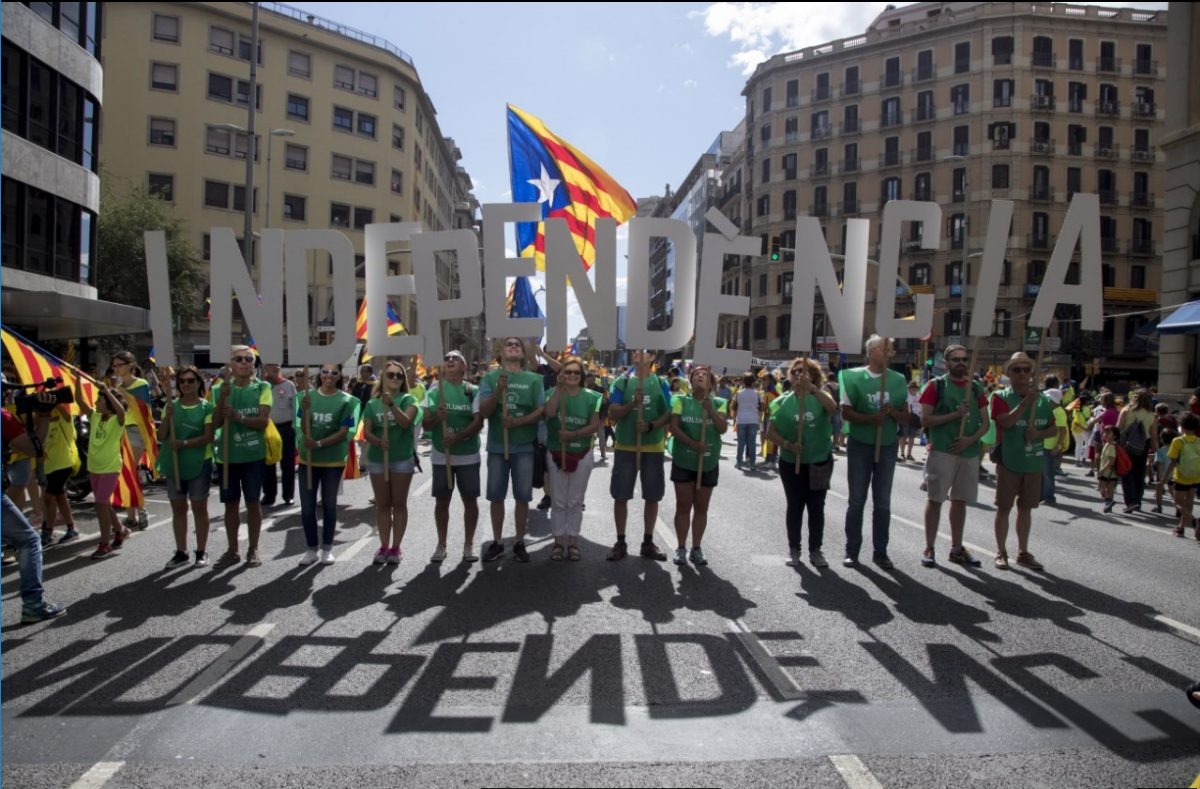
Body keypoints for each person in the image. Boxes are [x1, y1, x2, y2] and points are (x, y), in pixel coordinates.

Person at [838, 334, 911, 569]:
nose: (889, 352)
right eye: (883, 348)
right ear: (870, 352)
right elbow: (845, 413)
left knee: (883, 503)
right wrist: (871, 419)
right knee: (857, 500)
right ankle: (852, 549)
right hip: (860, 444)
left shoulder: (898, 379)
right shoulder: (853, 378)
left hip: (887, 445)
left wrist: (893, 413)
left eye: (890, 349)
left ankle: (881, 551)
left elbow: (906, 415)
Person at [917, 344, 990, 568]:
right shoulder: (936, 386)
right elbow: (925, 420)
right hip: (942, 451)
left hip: (968, 453)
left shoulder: (976, 388)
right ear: (947, 363)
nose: (961, 363)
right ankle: (929, 547)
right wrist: (955, 415)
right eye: (956, 359)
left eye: (964, 359)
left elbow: (985, 423)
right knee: (936, 499)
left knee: (960, 501)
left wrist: (970, 440)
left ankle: (957, 549)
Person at [477, 337, 545, 563]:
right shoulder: (490, 377)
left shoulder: (534, 379)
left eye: (517, 344)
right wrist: (498, 391)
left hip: (524, 448)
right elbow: (484, 412)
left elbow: (541, 411)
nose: (514, 345)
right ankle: (496, 542)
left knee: (522, 497)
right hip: (498, 447)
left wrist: (519, 422)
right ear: (502, 353)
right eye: (509, 344)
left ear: (524, 354)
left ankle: (518, 541)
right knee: (496, 496)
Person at [990, 352, 1058, 570]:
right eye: (1016, 370)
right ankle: (1001, 551)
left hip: (1032, 462)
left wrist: (1038, 434)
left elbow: (1053, 428)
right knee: (1004, 508)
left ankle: (1023, 551)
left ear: (1032, 374)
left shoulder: (1045, 400)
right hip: (1009, 460)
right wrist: (1024, 404)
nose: (1022, 374)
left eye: (1026, 370)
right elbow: (1006, 423)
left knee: (1026, 509)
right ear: (1008, 373)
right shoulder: (1000, 397)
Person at [766, 357, 837, 568]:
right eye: (795, 371)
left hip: (819, 461)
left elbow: (833, 408)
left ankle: (816, 550)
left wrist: (813, 390)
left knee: (816, 506)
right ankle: (794, 549)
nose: (799, 374)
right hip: (791, 463)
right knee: (795, 506)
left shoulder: (822, 395)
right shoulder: (782, 401)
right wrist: (788, 445)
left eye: (804, 371)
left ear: (813, 375)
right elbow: (770, 432)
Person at [2, 401, 68, 622]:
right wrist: (45, 416)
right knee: (30, 540)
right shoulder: (4, 416)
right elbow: (34, 447)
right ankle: (33, 605)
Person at [605, 350, 671, 562]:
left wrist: (651, 425)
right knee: (621, 495)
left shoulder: (661, 383)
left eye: (644, 351)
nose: (638, 353)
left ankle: (648, 542)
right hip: (625, 445)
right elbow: (613, 412)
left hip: (652, 447)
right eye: (635, 350)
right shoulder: (621, 382)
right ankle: (620, 541)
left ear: (652, 358)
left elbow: (669, 413)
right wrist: (632, 404)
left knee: (652, 496)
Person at [211, 345, 272, 568]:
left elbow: (263, 422)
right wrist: (222, 399)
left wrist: (238, 417)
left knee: (253, 503)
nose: (245, 362)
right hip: (227, 456)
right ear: (230, 365)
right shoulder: (219, 389)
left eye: (250, 359)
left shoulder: (263, 387)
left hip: (253, 456)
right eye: (239, 359)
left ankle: (253, 548)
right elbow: (215, 423)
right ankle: (232, 550)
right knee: (230, 506)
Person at [423, 350, 483, 562]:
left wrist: (457, 437)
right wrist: (437, 419)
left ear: (464, 367)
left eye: (455, 358)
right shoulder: (434, 390)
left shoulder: (473, 391)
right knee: (442, 501)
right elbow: (425, 423)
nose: (449, 361)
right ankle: (441, 544)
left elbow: (478, 423)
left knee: (470, 501)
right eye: (447, 358)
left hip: (467, 455)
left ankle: (468, 545)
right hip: (442, 455)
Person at [297, 364, 358, 565]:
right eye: (325, 371)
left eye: (334, 372)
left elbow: (344, 431)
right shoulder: (305, 398)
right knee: (307, 507)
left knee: (329, 504)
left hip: (332, 461)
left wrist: (320, 443)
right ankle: (311, 548)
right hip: (308, 460)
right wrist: (305, 411)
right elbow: (301, 427)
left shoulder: (347, 401)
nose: (329, 375)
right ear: (319, 375)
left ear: (340, 375)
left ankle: (327, 549)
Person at [668, 364, 729, 566]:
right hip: (684, 461)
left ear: (711, 382)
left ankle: (696, 548)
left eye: (705, 375)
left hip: (708, 463)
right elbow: (673, 428)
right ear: (690, 380)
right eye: (696, 375)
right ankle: (681, 548)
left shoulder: (719, 403)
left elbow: (722, 429)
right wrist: (693, 443)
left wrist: (710, 410)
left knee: (701, 508)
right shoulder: (679, 400)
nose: (700, 377)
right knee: (683, 506)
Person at [542, 356, 602, 561]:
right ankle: (558, 542)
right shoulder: (552, 392)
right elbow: (549, 413)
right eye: (568, 372)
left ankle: (573, 542)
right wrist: (558, 389)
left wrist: (574, 435)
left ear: (582, 376)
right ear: (561, 375)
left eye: (576, 372)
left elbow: (594, 426)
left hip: (582, 453)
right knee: (558, 501)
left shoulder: (593, 397)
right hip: (556, 452)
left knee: (575, 501)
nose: (572, 376)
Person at [362, 360, 420, 564]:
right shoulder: (371, 403)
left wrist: (392, 405)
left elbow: (406, 423)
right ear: (383, 379)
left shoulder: (409, 399)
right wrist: (378, 441)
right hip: (378, 460)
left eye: (399, 375)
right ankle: (384, 546)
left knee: (399, 504)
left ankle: (396, 547)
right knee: (383, 505)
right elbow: (366, 432)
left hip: (402, 460)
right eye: (390, 375)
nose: (395, 378)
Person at [158, 366, 215, 566]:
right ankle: (181, 552)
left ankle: (201, 551)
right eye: (182, 381)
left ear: (198, 382)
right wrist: (167, 416)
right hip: (175, 465)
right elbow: (161, 435)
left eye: (191, 380)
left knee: (199, 508)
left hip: (200, 464)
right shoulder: (170, 406)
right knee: (178, 508)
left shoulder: (207, 407)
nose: (186, 384)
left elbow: (208, 437)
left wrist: (184, 444)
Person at [78, 380, 127, 560]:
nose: (96, 403)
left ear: (108, 404)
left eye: (99, 401)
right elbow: (79, 400)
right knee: (104, 503)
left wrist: (107, 391)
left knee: (100, 504)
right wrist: (76, 379)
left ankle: (105, 544)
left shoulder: (117, 420)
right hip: (94, 467)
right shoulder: (95, 417)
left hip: (110, 468)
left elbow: (121, 411)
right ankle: (120, 531)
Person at [111, 350, 151, 530]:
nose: (116, 368)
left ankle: (141, 510)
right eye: (115, 365)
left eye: (119, 365)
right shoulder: (118, 388)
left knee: (129, 470)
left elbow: (142, 407)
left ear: (130, 365)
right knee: (126, 472)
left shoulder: (140, 383)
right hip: (121, 431)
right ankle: (131, 515)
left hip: (137, 431)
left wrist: (118, 393)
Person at [39, 398, 79, 546]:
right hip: (50, 466)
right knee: (60, 498)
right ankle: (71, 528)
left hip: (64, 464)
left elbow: (66, 413)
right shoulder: (44, 423)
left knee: (48, 498)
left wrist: (55, 400)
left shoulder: (64, 420)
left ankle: (48, 531)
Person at [260, 361, 297, 508]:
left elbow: (295, 408)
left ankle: (288, 495)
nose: (274, 368)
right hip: (267, 428)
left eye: (277, 365)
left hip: (285, 428)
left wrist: (296, 428)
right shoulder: (261, 386)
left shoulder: (288, 385)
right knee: (268, 463)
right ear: (264, 368)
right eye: (270, 365)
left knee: (287, 464)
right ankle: (269, 494)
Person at [1116, 388, 1157, 514]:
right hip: (1143, 445)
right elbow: (1153, 436)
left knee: (1126, 472)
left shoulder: (1126, 410)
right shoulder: (1152, 415)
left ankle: (1131, 501)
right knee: (1139, 473)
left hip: (1126, 445)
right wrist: (1154, 451)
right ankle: (1138, 501)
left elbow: (1118, 428)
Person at [1163, 412, 1200, 539]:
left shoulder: (1178, 441)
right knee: (1188, 503)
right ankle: (1181, 528)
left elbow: (1172, 462)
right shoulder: (1198, 441)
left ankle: (1195, 520)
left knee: (1178, 502)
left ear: (1182, 426)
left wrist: (1163, 479)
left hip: (1181, 477)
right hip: (1195, 476)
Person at [1040, 389, 1069, 506]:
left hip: (1050, 448)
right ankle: (1042, 496)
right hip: (1042, 446)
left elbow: (1062, 431)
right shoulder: (1049, 410)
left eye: (1048, 398)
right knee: (1042, 474)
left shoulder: (1059, 411)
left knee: (1048, 474)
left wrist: (1058, 446)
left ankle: (1049, 497)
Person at [731, 373, 762, 470]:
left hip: (741, 420)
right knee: (752, 443)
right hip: (753, 420)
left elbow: (733, 406)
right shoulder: (757, 393)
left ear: (743, 382)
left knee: (741, 443)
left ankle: (739, 463)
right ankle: (752, 464)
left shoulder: (738, 393)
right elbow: (763, 406)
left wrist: (734, 417)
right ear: (754, 382)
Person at [1098, 425, 1120, 513]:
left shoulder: (1111, 446)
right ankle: (1109, 506)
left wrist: (1102, 469)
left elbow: (1112, 460)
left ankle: (1108, 501)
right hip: (1112, 472)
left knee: (1101, 487)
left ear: (1114, 436)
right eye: (1104, 432)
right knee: (1110, 490)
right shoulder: (1107, 444)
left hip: (1107, 472)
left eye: (1108, 433)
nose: (1105, 434)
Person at [901, 381, 922, 462]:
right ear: (909, 388)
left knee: (912, 437)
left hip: (915, 419)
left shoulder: (918, 397)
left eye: (916, 388)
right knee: (904, 436)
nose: (914, 389)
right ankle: (902, 453)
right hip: (906, 417)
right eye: (912, 388)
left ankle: (909, 454)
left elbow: (921, 407)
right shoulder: (906, 396)